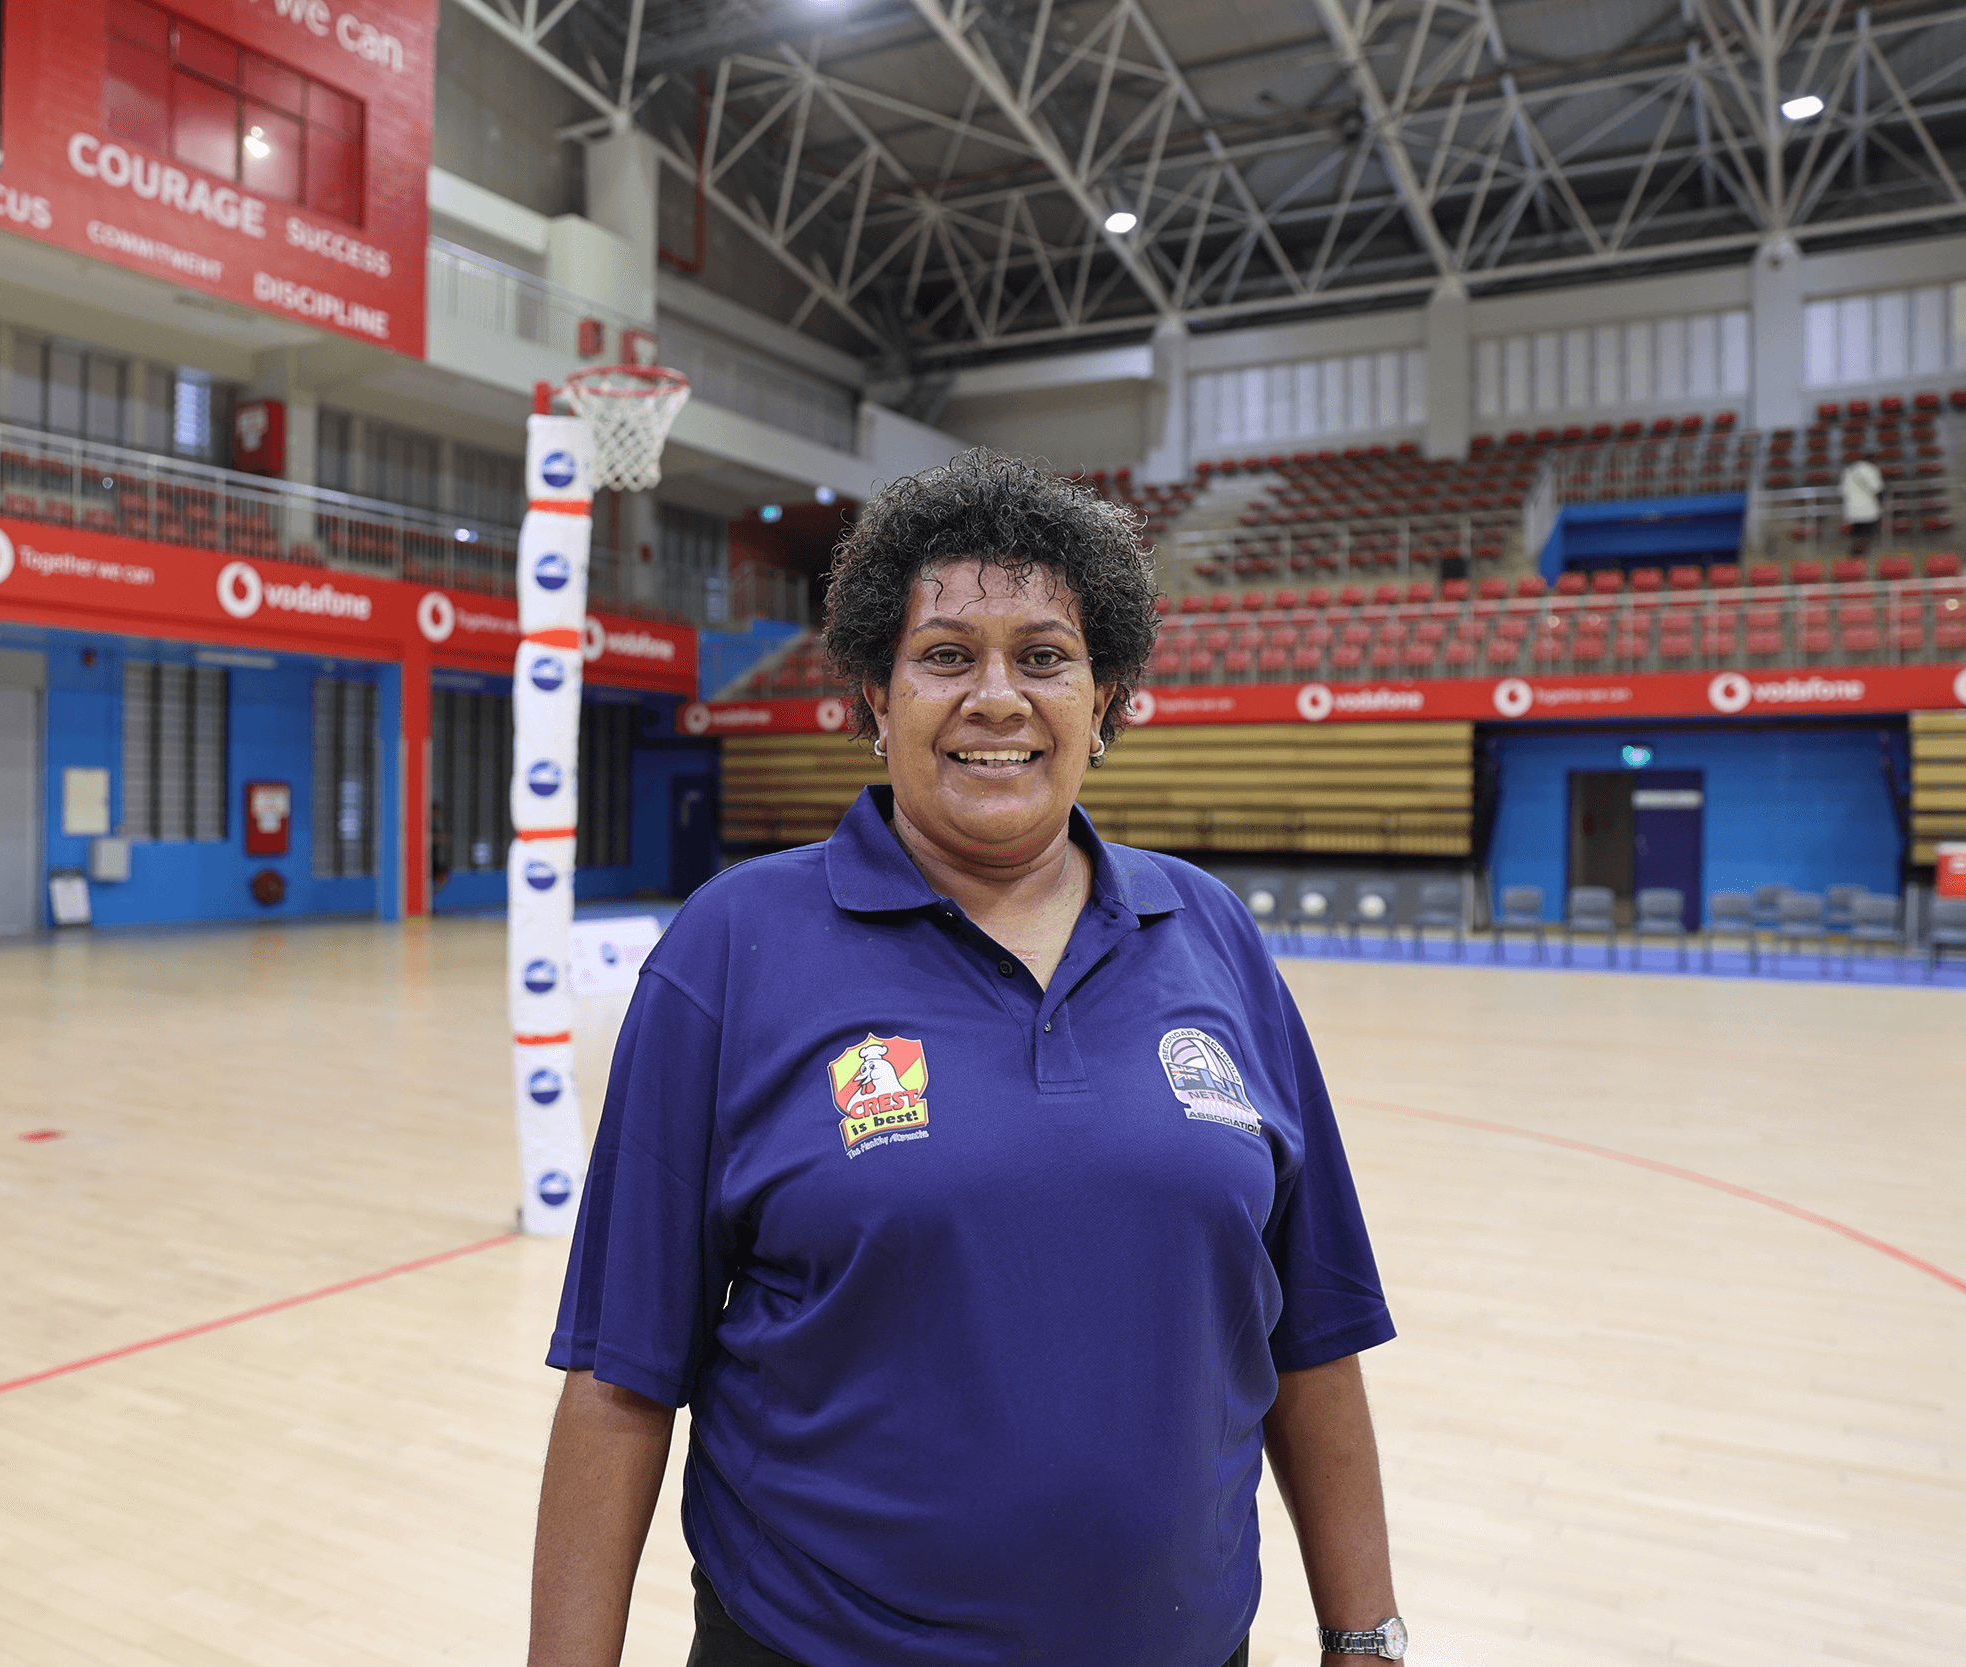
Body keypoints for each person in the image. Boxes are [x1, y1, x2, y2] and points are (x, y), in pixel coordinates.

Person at [531, 451, 1405, 1667]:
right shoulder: (732, 946)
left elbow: (1310, 1335)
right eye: (946, 654)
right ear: (875, 699)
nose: (997, 694)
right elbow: (621, 1378)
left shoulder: (1209, 935)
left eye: (1043, 655)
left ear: (1105, 702)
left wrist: (1363, 1635)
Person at [1840, 452, 1885, 557]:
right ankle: (1857, 557)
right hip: (1868, 509)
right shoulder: (1871, 469)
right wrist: (1881, 505)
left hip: (1852, 509)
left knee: (1856, 534)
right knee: (1867, 535)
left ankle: (1855, 558)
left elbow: (1842, 491)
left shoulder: (1848, 470)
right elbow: (1878, 489)